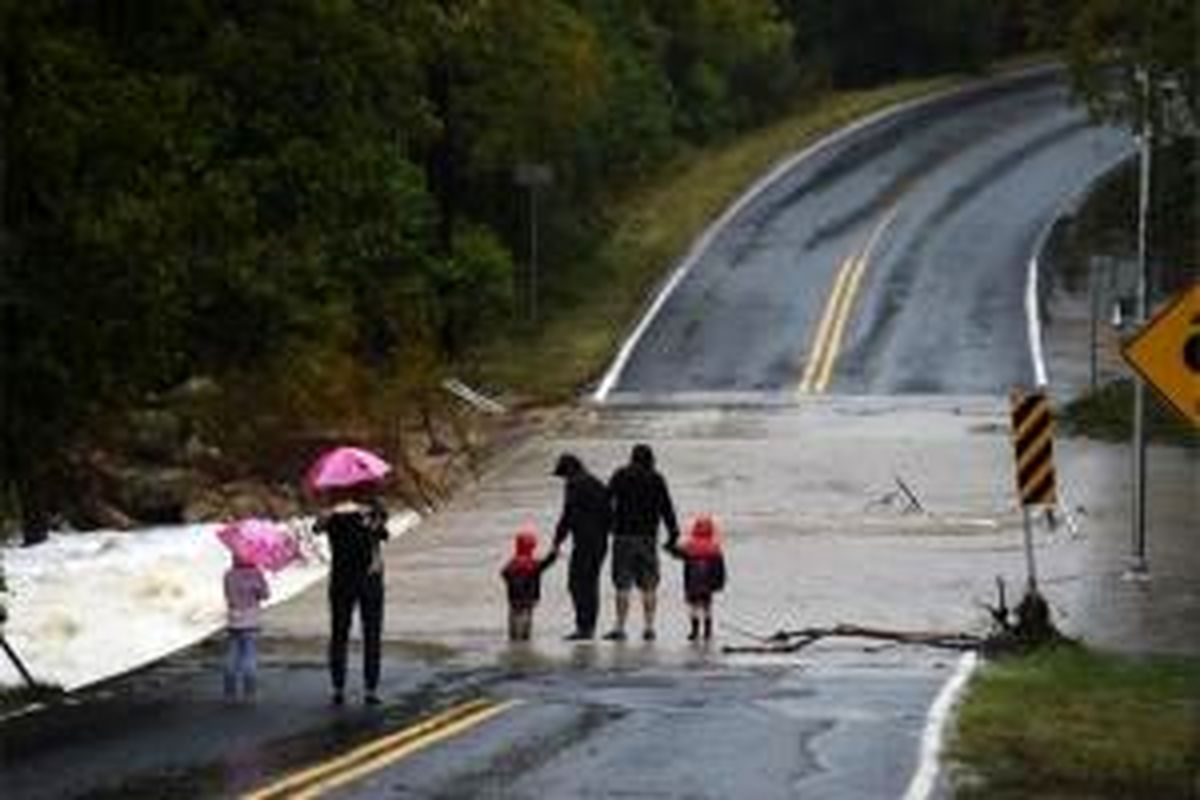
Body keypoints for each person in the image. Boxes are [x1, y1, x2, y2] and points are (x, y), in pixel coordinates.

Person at [313, 486, 389, 705]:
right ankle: (370, 688)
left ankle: (338, 686)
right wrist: (374, 519)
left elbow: (316, 528)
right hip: (370, 581)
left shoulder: (331, 517)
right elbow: (383, 534)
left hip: (341, 581)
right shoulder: (370, 516)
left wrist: (327, 515)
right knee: (372, 634)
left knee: (339, 633)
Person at [605, 443, 680, 641]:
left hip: (623, 536)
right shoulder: (656, 478)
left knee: (622, 584)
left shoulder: (620, 475)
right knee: (649, 585)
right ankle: (649, 627)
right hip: (648, 537)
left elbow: (606, 500)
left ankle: (620, 628)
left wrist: (609, 524)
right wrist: (673, 534)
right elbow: (667, 508)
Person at [551, 453, 611, 640]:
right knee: (591, 584)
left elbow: (568, 515)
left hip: (585, 543)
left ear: (569, 471)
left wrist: (557, 540)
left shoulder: (574, 484)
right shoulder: (596, 482)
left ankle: (583, 627)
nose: (564, 480)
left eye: (564, 475)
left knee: (576, 584)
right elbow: (609, 511)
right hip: (600, 542)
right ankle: (589, 626)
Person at [667, 514, 727, 641]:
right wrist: (720, 583)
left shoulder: (690, 545)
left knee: (693, 605)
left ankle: (694, 630)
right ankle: (707, 630)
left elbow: (677, 553)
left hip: (692, 583)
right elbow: (720, 568)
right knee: (707, 605)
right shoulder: (714, 547)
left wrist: (669, 547)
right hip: (708, 583)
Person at [223, 551, 270, 701]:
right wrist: (258, 586)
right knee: (249, 655)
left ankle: (230, 691)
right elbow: (265, 595)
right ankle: (250, 692)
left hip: (234, 618)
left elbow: (228, 595)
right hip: (250, 619)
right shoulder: (256, 574)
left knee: (232, 654)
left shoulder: (228, 575)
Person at [500, 525, 559, 641]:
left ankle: (513, 636)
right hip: (529, 598)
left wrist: (512, 583)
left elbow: (504, 574)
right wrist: (554, 554)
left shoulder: (512, 563)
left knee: (513, 617)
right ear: (531, 548)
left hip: (513, 599)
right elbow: (545, 564)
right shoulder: (533, 564)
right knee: (526, 618)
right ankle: (525, 637)